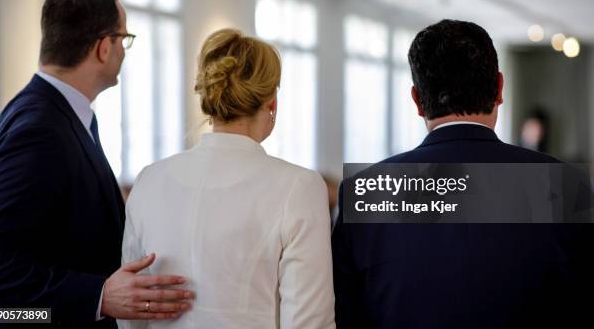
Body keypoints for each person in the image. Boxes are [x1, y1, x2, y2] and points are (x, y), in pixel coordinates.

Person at [332, 19, 593, 328]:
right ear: (499, 88)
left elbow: (343, 315)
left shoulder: (367, 191)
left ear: (416, 100)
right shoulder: (562, 185)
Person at [0, 0, 193, 327]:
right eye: (124, 39)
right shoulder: (39, 128)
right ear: (103, 48)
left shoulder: (58, 113)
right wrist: (99, 295)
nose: (124, 51)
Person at [119, 29, 335, 328]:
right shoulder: (299, 187)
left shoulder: (149, 180)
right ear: (271, 103)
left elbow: (132, 312)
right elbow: (309, 323)